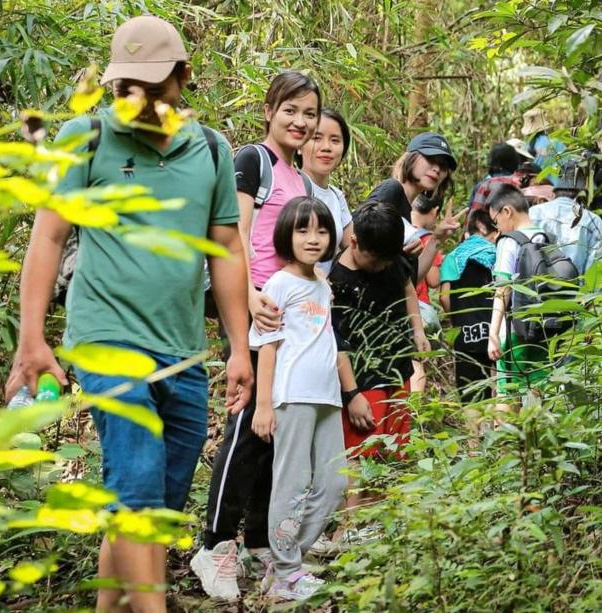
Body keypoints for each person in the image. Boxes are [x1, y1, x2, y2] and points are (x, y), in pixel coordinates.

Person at [4, 16, 253, 613]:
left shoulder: (213, 150)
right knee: (137, 482)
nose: (135, 102)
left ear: (183, 78)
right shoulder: (84, 137)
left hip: (184, 351)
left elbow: (226, 252)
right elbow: (48, 237)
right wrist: (31, 338)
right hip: (105, 338)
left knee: (149, 504)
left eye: (150, 87)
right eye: (124, 89)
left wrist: (239, 348)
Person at [193, 70, 321, 601]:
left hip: (290, 315)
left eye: (309, 113)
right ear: (269, 109)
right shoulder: (255, 161)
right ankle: (214, 543)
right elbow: (234, 236)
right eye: (290, 109)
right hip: (254, 310)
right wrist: (245, 299)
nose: (300, 121)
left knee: (278, 432)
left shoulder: (304, 179)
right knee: (248, 423)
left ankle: (261, 543)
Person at [248, 197, 348, 601]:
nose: (313, 238)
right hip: (292, 395)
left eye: (322, 230)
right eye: (303, 230)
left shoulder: (322, 283)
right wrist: (263, 404)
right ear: (286, 235)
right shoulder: (279, 283)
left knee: (334, 482)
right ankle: (287, 572)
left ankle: (286, 562)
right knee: (291, 484)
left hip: (327, 396)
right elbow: (268, 346)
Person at [329, 200, 425, 481]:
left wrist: (417, 329)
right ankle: (356, 523)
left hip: (398, 372)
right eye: (376, 260)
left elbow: (408, 286)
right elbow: (338, 344)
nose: (383, 266)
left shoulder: (391, 258)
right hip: (363, 382)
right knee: (363, 456)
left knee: (394, 455)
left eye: (388, 260)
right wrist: (352, 395)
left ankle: (382, 522)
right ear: (354, 241)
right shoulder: (336, 282)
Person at [367, 132, 461, 287]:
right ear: (410, 158)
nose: (437, 169)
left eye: (443, 166)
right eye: (430, 159)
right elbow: (357, 244)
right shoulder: (391, 190)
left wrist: (436, 240)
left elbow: (411, 280)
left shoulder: (406, 212)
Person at [486, 184, 551, 399]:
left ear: (507, 211)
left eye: (495, 221)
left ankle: (506, 433)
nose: (498, 228)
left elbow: (502, 288)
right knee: (537, 392)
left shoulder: (509, 242)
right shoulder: (545, 238)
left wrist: (493, 333)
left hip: (515, 330)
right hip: (543, 330)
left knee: (508, 396)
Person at [439, 207, 498, 412]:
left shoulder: (453, 257)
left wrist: (458, 319)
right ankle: (501, 437)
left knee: (471, 392)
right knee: (502, 388)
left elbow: (445, 298)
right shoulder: (497, 252)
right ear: (490, 230)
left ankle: (473, 441)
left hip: (466, 334)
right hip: (496, 333)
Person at [528, 160, 602, 276]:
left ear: (556, 190)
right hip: (575, 291)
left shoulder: (534, 213)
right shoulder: (592, 220)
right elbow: (596, 269)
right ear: (583, 192)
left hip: (536, 289)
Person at [299, 108, 353, 274]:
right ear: (299, 146)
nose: (326, 147)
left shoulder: (336, 196)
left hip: (323, 295)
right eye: (316, 138)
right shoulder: (289, 187)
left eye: (335, 140)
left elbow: (353, 247)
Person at [407, 193, 443, 392]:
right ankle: (416, 415)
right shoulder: (428, 239)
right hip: (420, 310)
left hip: (396, 308)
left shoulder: (400, 232)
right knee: (417, 363)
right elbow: (433, 280)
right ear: (434, 211)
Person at [522, 108, 566, 185]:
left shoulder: (524, 147)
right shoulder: (556, 142)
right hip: (557, 186)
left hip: (535, 186)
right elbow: (566, 163)